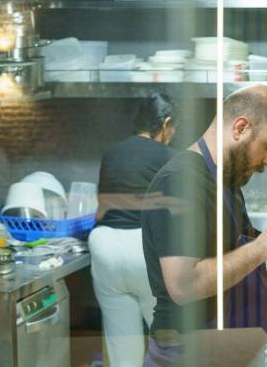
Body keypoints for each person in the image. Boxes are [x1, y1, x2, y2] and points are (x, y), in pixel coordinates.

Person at [141, 85, 267, 366]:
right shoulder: (178, 183)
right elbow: (184, 285)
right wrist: (261, 247)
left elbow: (225, 255)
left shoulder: (227, 180)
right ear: (241, 127)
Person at [88, 92, 178, 367]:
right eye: (174, 128)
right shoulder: (170, 156)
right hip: (144, 250)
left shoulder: (112, 153)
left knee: (121, 350)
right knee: (170, 347)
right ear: (166, 124)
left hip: (104, 246)